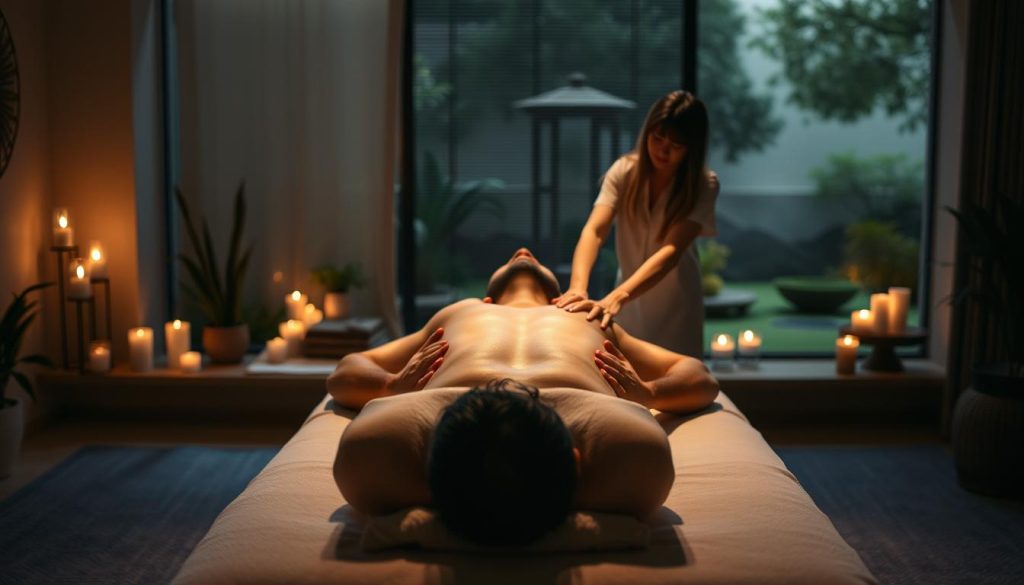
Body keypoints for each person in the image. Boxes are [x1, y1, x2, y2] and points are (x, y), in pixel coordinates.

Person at [328, 247, 719, 546]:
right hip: (458, 401)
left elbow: (698, 378)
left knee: (363, 457)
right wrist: (390, 385)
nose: (523, 251)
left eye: (531, 256)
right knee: (644, 465)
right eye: (515, 257)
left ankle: (470, 501)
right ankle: (527, 503)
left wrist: (649, 391)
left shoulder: (588, 315)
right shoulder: (459, 312)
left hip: (575, 405)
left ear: (558, 296)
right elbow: (345, 373)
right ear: (488, 300)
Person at [555, 90, 719, 357]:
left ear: (692, 148)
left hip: (676, 305)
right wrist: (578, 287)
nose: (663, 150)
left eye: (675, 145)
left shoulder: (703, 185)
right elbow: (595, 230)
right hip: (627, 300)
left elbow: (671, 252)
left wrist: (618, 296)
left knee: (676, 381)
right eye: (657, 138)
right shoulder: (624, 172)